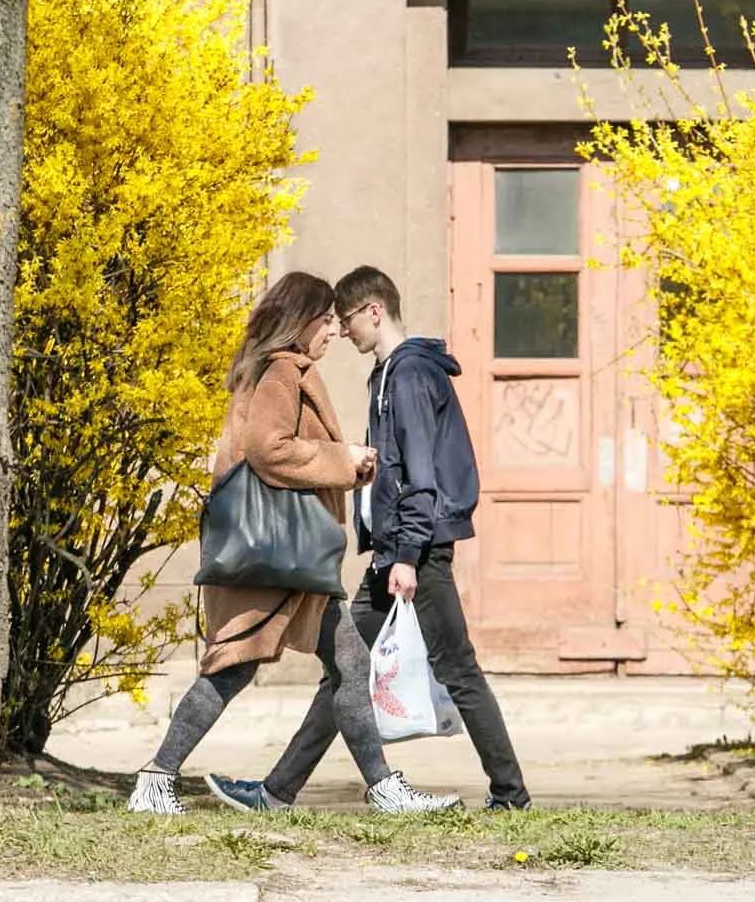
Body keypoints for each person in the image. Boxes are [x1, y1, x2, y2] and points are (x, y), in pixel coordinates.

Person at [127, 270, 460, 815]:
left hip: (297, 558)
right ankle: (156, 777)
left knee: (351, 665)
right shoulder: (283, 371)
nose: (333, 331)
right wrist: (343, 460)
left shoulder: (282, 368)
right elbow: (268, 449)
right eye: (326, 320)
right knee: (233, 666)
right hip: (276, 557)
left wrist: (345, 462)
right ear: (301, 321)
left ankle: (385, 790)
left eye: (336, 320)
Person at [206, 265, 532, 813]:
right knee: (348, 669)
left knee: (455, 667)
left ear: (374, 312)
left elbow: (420, 476)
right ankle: (277, 791)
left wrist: (405, 553)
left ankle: (511, 794)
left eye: (346, 318)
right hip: (397, 548)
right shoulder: (386, 376)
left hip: (415, 551)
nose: (340, 331)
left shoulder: (408, 375)